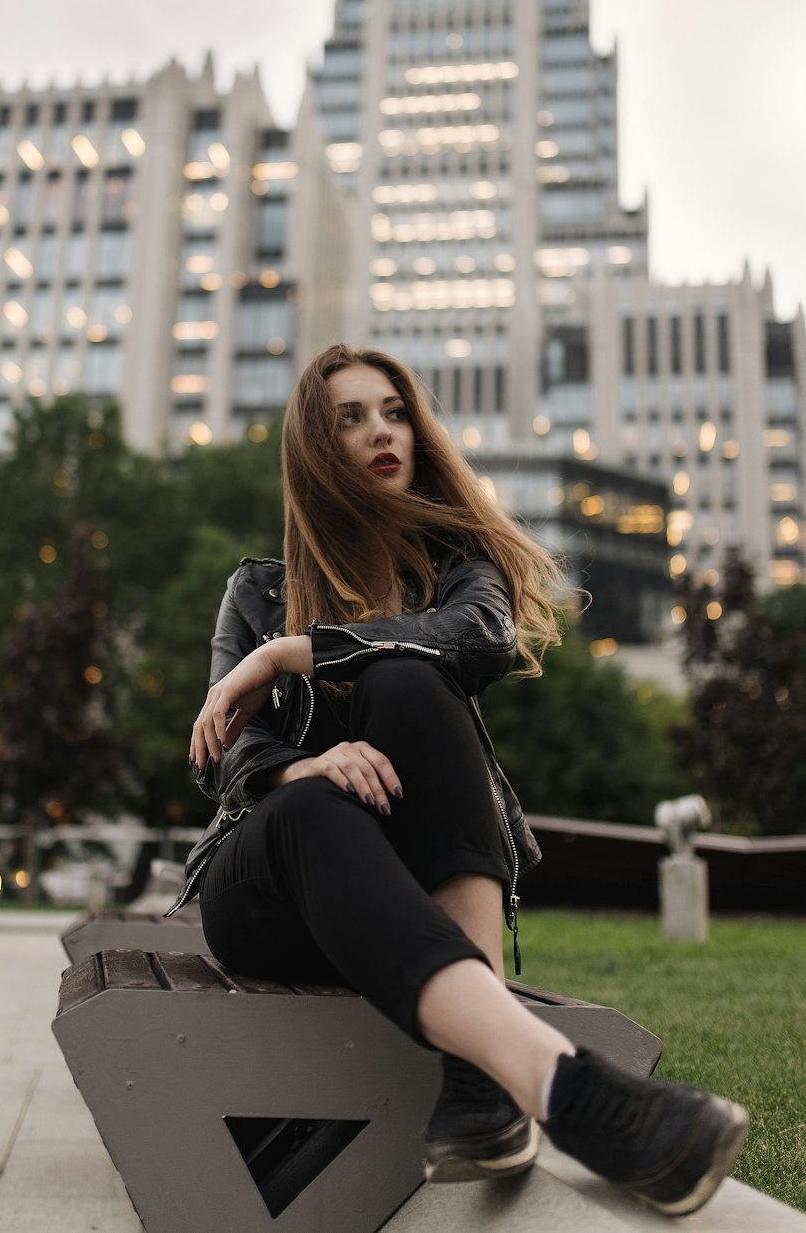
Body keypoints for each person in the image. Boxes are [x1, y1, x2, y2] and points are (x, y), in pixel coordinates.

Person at [174, 343, 748, 1216]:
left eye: (394, 411)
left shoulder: (456, 569)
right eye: (351, 418)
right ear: (314, 451)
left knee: (405, 673)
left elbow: (478, 643)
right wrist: (308, 762)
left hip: (403, 895)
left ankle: (483, 1081)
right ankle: (554, 1089)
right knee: (314, 805)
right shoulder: (256, 589)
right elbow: (227, 757)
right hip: (270, 889)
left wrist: (300, 651)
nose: (381, 431)